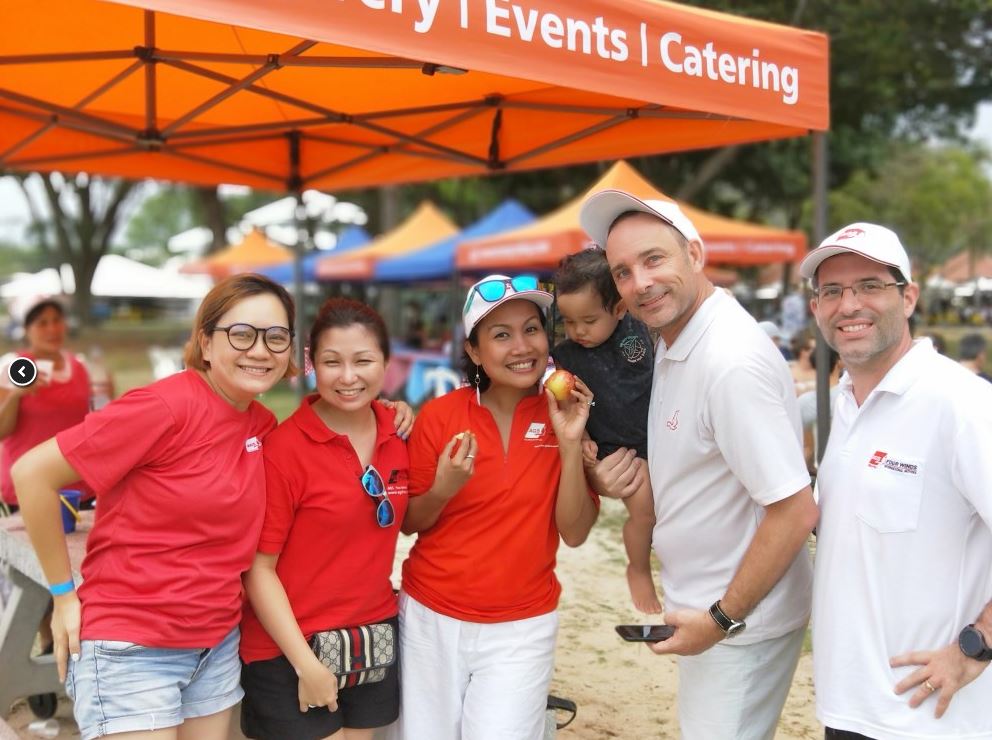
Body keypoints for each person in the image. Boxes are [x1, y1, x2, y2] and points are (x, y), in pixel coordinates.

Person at [13, 274, 297, 740]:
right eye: (241, 334)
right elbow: (32, 474)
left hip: (215, 644)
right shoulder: (163, 407)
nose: (261, 350)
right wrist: (63, 595)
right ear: (205, 342)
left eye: (276, 336)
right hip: (133, 646)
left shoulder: (261, 423)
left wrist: (381, 411)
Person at [579, 191, 818, 740]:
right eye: (623, 271)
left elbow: (795, 510)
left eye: (654, 259)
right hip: (714, 612)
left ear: (695, 253)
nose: (640, 282)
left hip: (740, 623)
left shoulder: (727, 361)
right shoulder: (678, 336)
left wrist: (722, 619)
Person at [800, 222, 992, 739]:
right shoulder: (845, 401)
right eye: (832, 291)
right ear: (816, 308)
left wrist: (977, 644)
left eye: (869, 286)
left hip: (933, 719)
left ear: (908, 297)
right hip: (848, 707)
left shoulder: (962, 403)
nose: (848, 305)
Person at [396, 274, 599, 740]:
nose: (521, 346)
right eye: (501, 335)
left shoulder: (566, 412)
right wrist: (444, 487)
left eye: (531, 329)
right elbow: (410, 523)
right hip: (431, 619)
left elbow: (576, 531)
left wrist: (570, 446)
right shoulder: (440, 415)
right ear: (473, 351)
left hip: (522, 626)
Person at [239, 298, 416, 740]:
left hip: (370, 637)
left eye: (364, 360)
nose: (349, 376)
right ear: (311, 364)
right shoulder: (283, 451)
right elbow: (258, 570)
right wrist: (305, 663)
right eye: (332, 361)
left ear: (387, 364)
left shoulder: (399, 435)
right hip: (288, 647)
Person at [550, 248, 659, 613]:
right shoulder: (567, 356)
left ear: (619, 309)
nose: (578, 330)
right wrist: (584, 440)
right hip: (614, 447)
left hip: (656, 435)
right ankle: (639, 569)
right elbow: (568, 406)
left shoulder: (635, 336)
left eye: (588, 320)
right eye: (568, 321)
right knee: (643, 512)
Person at [1, 297, 91, 510]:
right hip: (28, 487)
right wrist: (15, 396)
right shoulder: (13, 366)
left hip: (79, 488)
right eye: (42, 323)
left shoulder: (79, 366)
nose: (52, 329)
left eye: (57, 320)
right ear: (26, 329)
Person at [789, 330, 818, 395]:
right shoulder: (787, 370)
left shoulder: (824, 372)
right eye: (812, 349)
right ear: (801, 350)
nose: (815, 352)